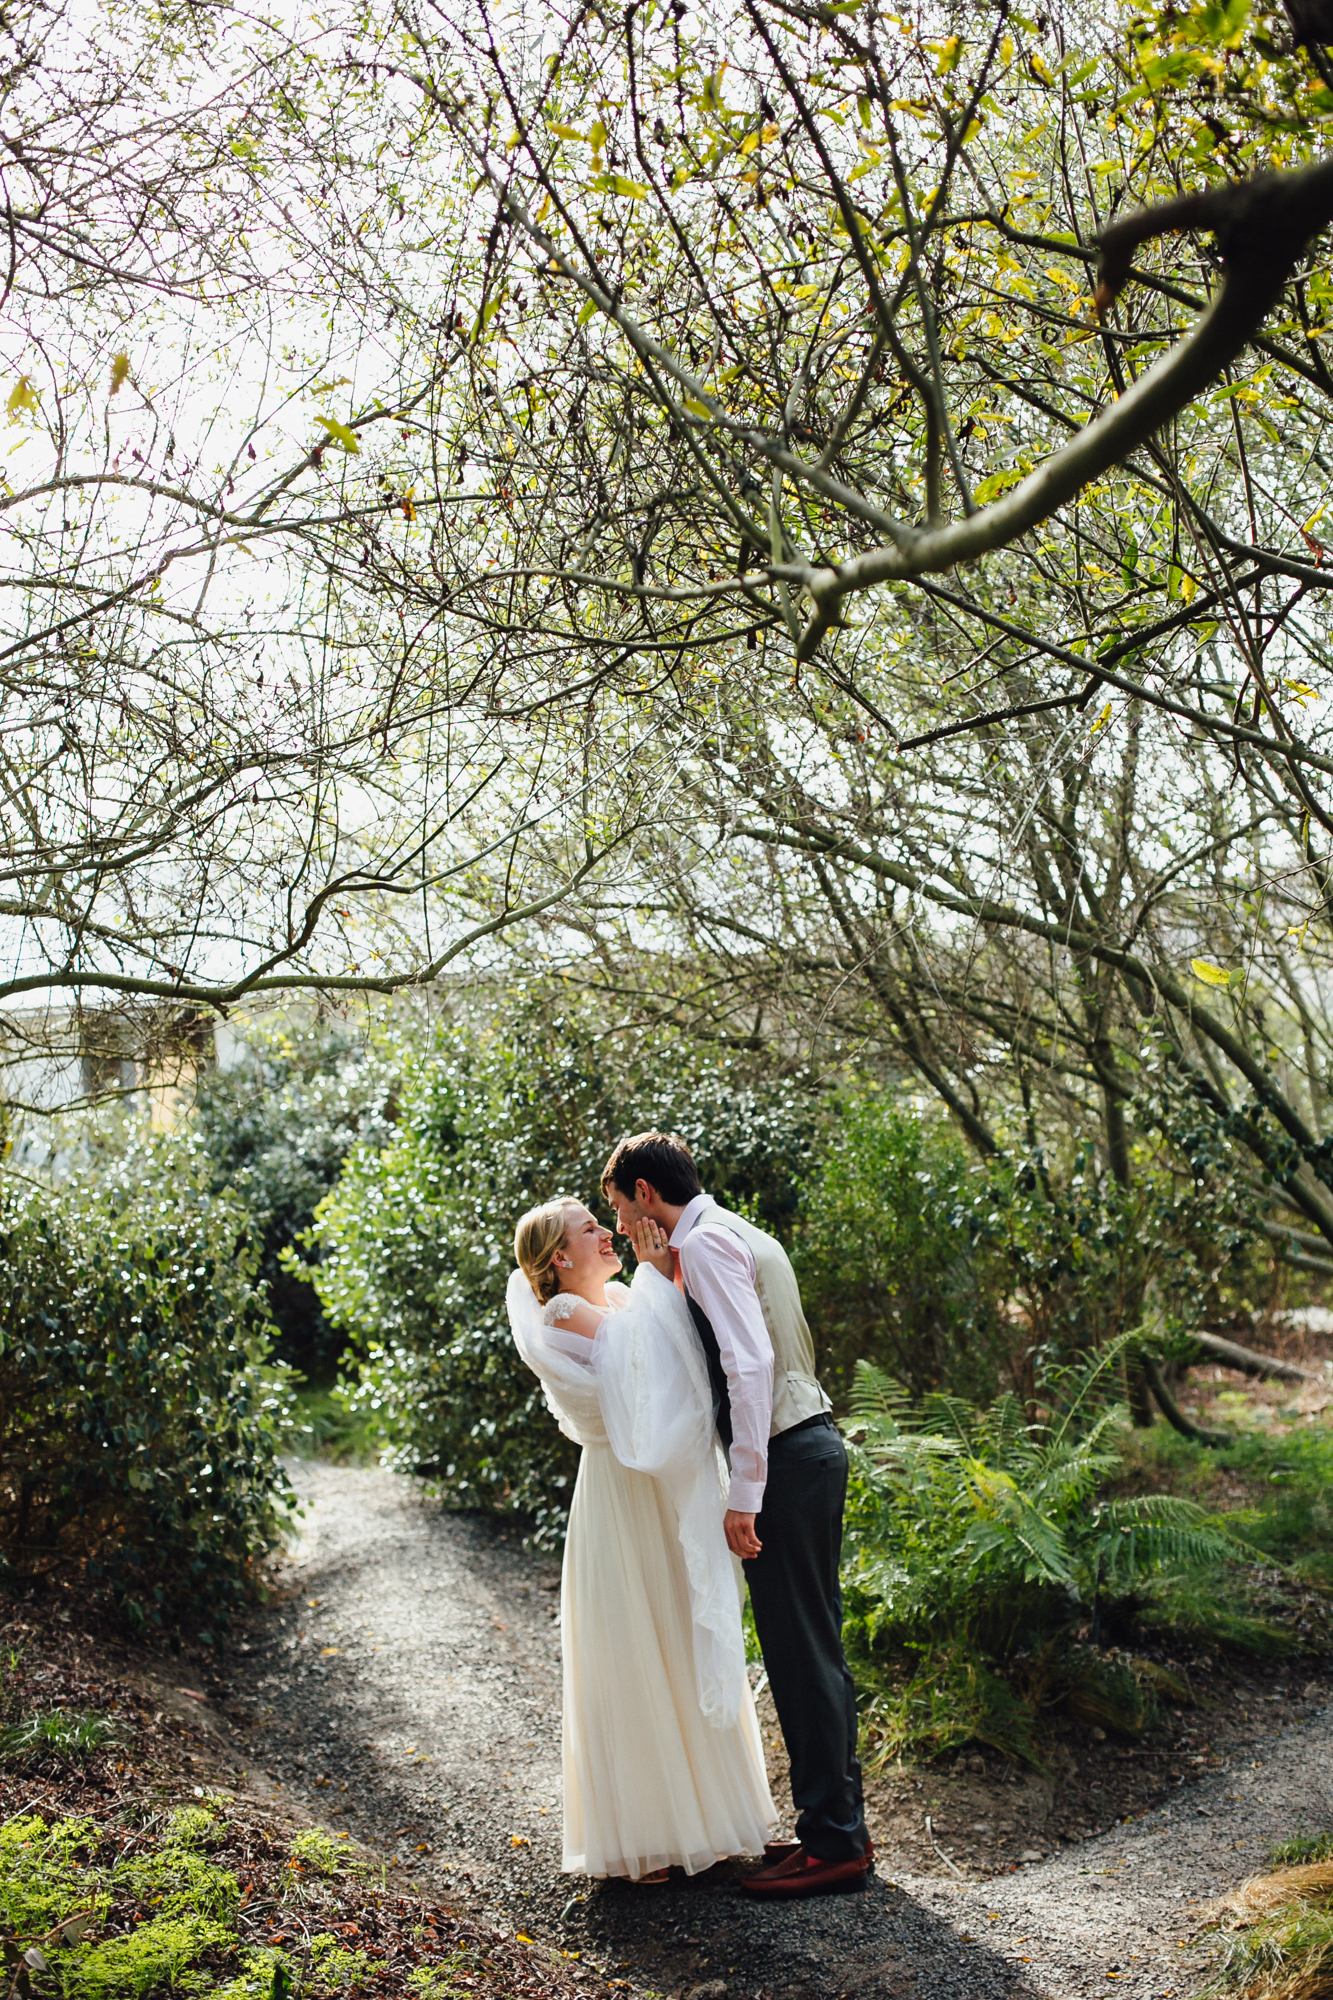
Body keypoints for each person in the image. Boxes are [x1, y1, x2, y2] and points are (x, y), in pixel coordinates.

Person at [600, 1131, 873, 1898]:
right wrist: (662, 1271)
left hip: (785, 1458)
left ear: (647, 1194)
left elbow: (747, 1366)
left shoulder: (710, 1247)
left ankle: (836, 1848)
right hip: (805, 1448)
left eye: (620, 1208)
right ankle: (833, 1830)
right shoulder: (730, 1233)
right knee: (812, 1649)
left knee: (798, 1655)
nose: (621, 1226)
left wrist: (742, 1494)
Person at [507, 1195, 776, 1884]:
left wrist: (653, 1280)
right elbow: (645, 1370)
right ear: (560, 1258)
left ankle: (709, 1820)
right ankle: (642, 1836)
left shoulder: (622, 1297)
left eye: (602, 1224)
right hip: (621, 1497)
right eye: (590, 1229)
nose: (607, 1233)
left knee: (680, 1636)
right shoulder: (564, 1313)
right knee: (635, 1645)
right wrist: (662, 1274)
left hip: (655, 1492)